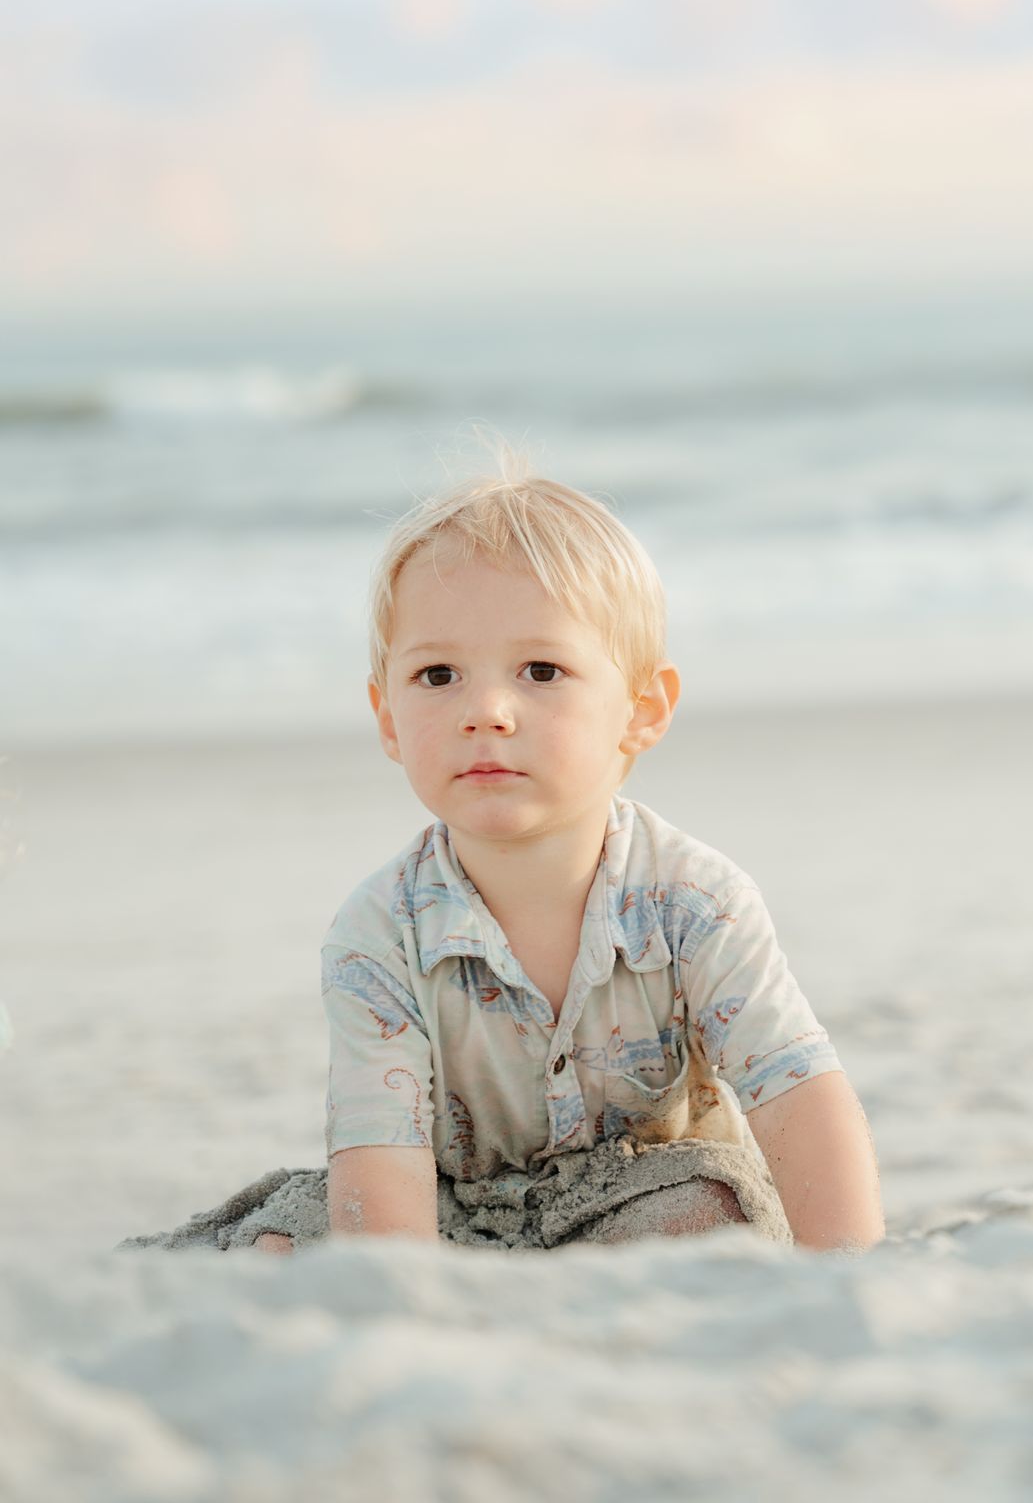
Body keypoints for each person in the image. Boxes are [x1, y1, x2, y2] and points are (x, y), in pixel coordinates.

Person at [119, 444, 885, 1256]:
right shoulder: (381, 931)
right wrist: (407, 1296)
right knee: (285, 1245)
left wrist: (850, 1273)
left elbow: (798, 1097)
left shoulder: (695, 901)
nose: (486, 709)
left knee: (705, 1216)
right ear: (386, 718)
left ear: (642, 709)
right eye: (438, 674)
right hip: (449, 1206)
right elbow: (381, 1167)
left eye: (541, 670)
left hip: (641, 1191)